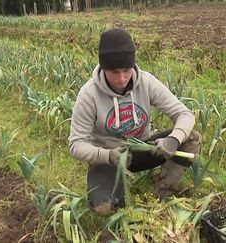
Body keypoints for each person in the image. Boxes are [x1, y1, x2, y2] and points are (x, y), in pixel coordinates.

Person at [68, 28, 202, 216]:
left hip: (142, 149)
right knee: (104, 207)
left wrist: (173, 140)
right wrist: (107, 155)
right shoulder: (89, 95)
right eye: (115, 72)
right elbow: (76, 144)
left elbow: (184, 114)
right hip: (109, 159)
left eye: (126, 70)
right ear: (104, 68)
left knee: (191, 139)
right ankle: (119, 202)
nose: (122, 78)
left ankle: (159, 198)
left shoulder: (146, 82)